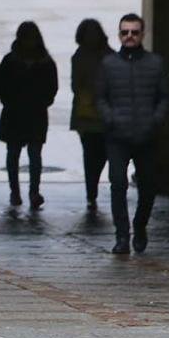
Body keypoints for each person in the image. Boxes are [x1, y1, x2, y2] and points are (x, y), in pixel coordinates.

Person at [96, 13, 169, 254]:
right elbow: (100, 97)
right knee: (117, 184)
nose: (129, 36)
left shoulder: (155, 63)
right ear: (119, 34)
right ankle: (121, 236)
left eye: (134, 32)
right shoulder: (108, 64)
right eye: (125, 32)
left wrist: (155, 120)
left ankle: (140, 226)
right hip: (117, 136)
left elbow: (165, 97)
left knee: (148, 186)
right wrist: (110, 119)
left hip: (146, 135)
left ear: (142, 34)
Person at [0, 21, 58, 209]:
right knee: (18, 154)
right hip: (22, 113)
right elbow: (1, 85)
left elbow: (52, 88)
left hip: (28, 113)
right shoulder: (43, 62)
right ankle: (17, 191)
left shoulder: (14, 60)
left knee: (31, 155)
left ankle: (30, 192)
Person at [70, 19, 113, 209]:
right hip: (86, 112)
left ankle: (92, 185)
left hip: (102, 111)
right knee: (90, 152)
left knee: (102, 152)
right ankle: (91, 188)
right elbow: (75, 85)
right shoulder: (79, 56)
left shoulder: (110, 55)